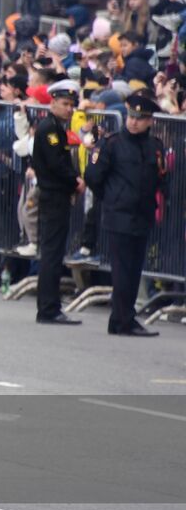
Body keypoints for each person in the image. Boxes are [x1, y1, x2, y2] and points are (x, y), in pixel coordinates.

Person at [83, 91, 165, 336]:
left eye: (140, 118)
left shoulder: (155, 146)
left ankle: (122, 317)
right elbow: (93, 177)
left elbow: (160, 179)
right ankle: (123, 319)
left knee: (134, 268)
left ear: (150, 120)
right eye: (131, 116)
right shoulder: (113, 143)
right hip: (119, 213)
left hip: (142, 214)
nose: (133, 121)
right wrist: (110, 197)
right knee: (122, 269)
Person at [30, 78, 84, 325]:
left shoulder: (55, 126)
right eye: (64, 103)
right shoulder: (50, 129)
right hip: (53, 196)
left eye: (71, 104)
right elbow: (56, 164)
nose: (69, 109)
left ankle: (50, 305)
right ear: (53, 103)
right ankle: (49, 307)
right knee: (52, 253)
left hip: (56, 195)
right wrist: (75, 181)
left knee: (53, 251)